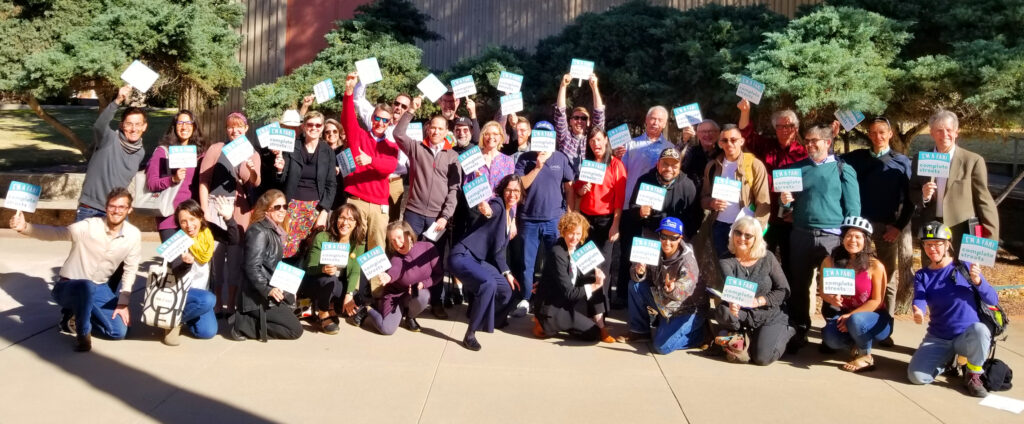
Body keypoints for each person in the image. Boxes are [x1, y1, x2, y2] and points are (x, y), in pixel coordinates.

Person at [10, 188, 141, 352]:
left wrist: (123, 302)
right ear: (106, 207)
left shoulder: (133, 235)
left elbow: (131, 269)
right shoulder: (89, 226)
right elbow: (58, 233)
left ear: (129, 209)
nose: (116, 211)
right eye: (112, 206)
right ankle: (83, 334)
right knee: (85, 286)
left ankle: (75, 316)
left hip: (99, 287)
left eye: (121, 207)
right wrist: (26, 227)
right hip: (69, 285)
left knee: (118, 332)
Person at [777, 124, 860, 352]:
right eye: (807, 141)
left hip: (833, 238)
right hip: (801, 235)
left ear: (827, 142)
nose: (810, 145)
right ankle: (799, 330)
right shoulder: (795, 169)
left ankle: (832, 332)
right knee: (798, 285)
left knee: (833, 287)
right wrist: (785, 201)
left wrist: (851, 239)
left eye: (815, 141)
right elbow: (784, 208)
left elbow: (853, 209)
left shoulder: (843, 170)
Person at [907, 221, 998, 398]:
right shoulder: (922, 275)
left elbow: (992, 299)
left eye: (937, 244)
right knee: (917, 377)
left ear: (948, 244)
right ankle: (947, 360)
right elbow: (920, 297)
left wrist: (978, 281)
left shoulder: (965, 266)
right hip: (939, 336)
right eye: (928, 244)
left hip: (967, 335)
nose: (932, 249)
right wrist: (918, 310)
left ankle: (973, 374)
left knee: (980, 330)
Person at [841, 116, 914, 316]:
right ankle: (848, 321)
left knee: (887, 277)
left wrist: (898, 227)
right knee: (854, 274)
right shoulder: (857, 158)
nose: (877, 136)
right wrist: (833, 130)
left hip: (886, 228)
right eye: (873, 132)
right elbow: (829, 159)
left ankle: (885, 323)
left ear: (890, 134)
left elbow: (910, 200)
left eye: (882, 132)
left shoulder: (902, 162)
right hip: (859, 228)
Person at [617, 147, 701, 307]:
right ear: (658, 164)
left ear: (679, 167)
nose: (669, 168)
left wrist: (680, 238)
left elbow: (695, 217)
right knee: (642, 274)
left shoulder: (688, 185)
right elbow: (632, 208)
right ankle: (642, 309)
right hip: (651, 235)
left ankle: (668, 306)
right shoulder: (645, 180)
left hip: (676, 240)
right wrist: (639, 212)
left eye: (674, 165)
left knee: (671, 278)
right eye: (665, 164)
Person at [198, 112, 262, 317]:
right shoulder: (217, 149)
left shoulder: (252, 152)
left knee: (235, 256)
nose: (235, 130)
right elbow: (203, 181)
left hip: (239, 208)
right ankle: (217, 302)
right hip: (215, 205)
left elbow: (254, 182)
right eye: (230, 127)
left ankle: (232, 303)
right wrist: (204, 211)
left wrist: (250, 169)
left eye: (239, 126)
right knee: (216, 257)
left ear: (246, 128)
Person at [448, 175, 522, 351]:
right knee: (488, 284)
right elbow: (489, 210)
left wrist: (507, 273)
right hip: (462, 255)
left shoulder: (510, 213)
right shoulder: (498, 204)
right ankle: (471, 334)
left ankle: (489, 318)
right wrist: (484, 207)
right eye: (509, 190)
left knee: (508, 289)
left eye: (517, 191)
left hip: (477, 260)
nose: (512, 194)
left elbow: (498, 254)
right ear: (503, 191)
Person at [737, 99, 807, 280]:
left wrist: (797, 211)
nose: (784, 129)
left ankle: (789, 303)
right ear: (775, 128)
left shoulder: (805, 152)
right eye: (780, 126)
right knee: (760, 259)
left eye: (789, 126)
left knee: (791, 263)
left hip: (792, 219)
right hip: (767, 216)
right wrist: (745, 111)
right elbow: (747, 134)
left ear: (796, 128)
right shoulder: (767, 146)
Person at [910, 110, 999, 253]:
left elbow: (984, 200)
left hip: (962, 230)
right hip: (931, 229)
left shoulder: (972, 161)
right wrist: (923, 196)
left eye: (948, 130)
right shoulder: (920, 159)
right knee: (934, 273)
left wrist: (990, 238)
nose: (944, 135)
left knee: (962, 273)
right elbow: (912, 190)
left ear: (956, 132)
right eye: (939, 130)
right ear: (931, 133)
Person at [612, 105, 673, 308]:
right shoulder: (631, 145)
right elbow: (621, 172)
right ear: (646, 121)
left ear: (665, 124)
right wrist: (617, 157)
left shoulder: (669, 148)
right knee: (628, 251)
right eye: (652, 118)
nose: (655, 122)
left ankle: (647, 299)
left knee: (651, 253)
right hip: (632, 206)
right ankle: (622, 295)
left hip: (657, 210)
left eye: (660, 120)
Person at [617, 217, 705, 354]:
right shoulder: (652, 249)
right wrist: (639, 272)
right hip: (664, 301)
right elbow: (634, 273)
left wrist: (674, 288)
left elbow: (687, 290)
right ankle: (640, 331)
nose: (667, 242)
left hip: (686, 309)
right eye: (664, 236)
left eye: (673, 238)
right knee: (635, 285)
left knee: (661, 347)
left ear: (680, 238)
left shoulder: (687, 260)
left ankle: (701, 334)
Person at [714, 216, 793, 365]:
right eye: (738, 233)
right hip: (743, 313)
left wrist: (758, 301)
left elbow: (784, 290)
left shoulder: (768, 258)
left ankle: (788, 332)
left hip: (769, 313)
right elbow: (731, 288)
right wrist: (733, 302)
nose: (741, 238)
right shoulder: (726, 260)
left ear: (756, 238)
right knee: (723, 311)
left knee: (762, 359)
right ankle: (743, 337)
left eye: (748, 235)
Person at [162, 198, 241, 346]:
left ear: (200, 217)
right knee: (210, 299)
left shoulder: (207, 230)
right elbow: (175, 274)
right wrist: (185, 264)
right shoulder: (177, 238)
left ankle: (183, 316)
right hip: (182, 293)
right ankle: (173, 322)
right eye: (183, 221)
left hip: (202, 292)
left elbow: (233, 239)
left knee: (207, 332)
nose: (189, 225)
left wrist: (229, 218)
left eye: (192, 219)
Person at [819, 217, 892, 372]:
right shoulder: (830, 261)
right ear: (843, 238)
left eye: (858, 237)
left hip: (873, 318)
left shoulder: (875, 266)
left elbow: (877, 301)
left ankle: (866, 356)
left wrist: (850, 316)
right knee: (829, 337)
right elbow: (823, 291)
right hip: (844, 315)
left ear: (866, 241)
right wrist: (831, 298)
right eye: (848, 236)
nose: (852, 240)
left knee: (856, 320)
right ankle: (855, 344)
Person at [229, 189, 303, 341]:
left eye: (284, 206)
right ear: (266, 209)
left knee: (294, 313)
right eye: (277, 207)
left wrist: (288, 286)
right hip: (256, 297)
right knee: (295, 330)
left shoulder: (276, 231)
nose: (282, 210)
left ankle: (250, 320)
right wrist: (267, 290)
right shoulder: (258, 231)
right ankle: (243, 324)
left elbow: (272, 265)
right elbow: (251, 267)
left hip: (270, 290)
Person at [513, 136, 575, 317]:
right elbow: (521, 185)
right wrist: (538, 166)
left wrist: (570, 214)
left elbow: (569, 188)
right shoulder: (525, 158)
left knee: (556, 261)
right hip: (529, 219)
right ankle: (525, 299)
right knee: (527, 263)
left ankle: (551, 297)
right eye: (540, 135)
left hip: (554, 220)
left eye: (548, 135)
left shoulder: (560, 157)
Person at [340, 72, 400, 252]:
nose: (380, 123)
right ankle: (348, 281)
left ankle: (376, 282)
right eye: (377, 118)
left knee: (376, 250)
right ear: (372, 118)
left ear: (389, 123)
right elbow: (347, 118)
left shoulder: (391, 146)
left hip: (378, 204)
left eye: (385, 120)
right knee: (350, 247)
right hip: (356, 200)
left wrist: (370, 160)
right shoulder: (359, 135)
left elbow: (389, 167)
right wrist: (349, 92)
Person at [570, 129, 626, 318]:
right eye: (592, 141)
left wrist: (615, 225)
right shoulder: (588, 164)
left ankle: (602, 311)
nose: (596, 144)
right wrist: (581, 189)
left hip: (606, 220)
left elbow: (619, 199)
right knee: (586, 263)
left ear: (606, 140)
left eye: (599, 140)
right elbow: (578, 188)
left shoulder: (617, 165)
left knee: (603, 266)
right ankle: (588, 308)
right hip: (586, 220)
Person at [532, 212, 613, 342]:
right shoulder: (557, 253)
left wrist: (596, 270)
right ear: (563, 232)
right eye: (571, 233)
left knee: (593, 277)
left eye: (578, 234)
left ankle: (600, 324)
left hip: (566, 300)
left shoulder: (577, 247)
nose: (574, 238)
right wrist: (595, 286)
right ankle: (542, 323)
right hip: (554, 308)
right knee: (593, 334)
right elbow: (569, 292)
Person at [356, 221, 442, 335]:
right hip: (394, 296)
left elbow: (438, 274)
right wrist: (388, 276)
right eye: (393, 240)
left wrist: (423, 284)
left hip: (412, 294)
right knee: (386, 329)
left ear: (409, 235)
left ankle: (410, 317)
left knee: (423, 295)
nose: (397, 243)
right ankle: (368, 308)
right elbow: (396, 269)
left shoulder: (428, 248)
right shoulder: (396, 259)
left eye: (399, 237)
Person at [77, 85, 147, 222]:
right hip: (91, 209)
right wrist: (117, 101)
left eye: (138, 124)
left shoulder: (140, 152)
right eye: (129, 124)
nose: (134, 129)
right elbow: (99, 125)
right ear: (122, 126)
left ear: (144, 127)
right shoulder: (109, 139)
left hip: (118, 210)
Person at [273, 111, 337, 259]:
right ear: (303, 126)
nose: (314, 128)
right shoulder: (292, 146)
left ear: (322, 128)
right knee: (286, 250)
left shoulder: (327, 151)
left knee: (310, 251)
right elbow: (281, 181)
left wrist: (324, 212)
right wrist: (280, 169)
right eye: (310, 124)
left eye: (318, 125)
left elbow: (331, 184)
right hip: (292, 206)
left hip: (315, 209)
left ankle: (305, 283)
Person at [700, 124, 770, 258]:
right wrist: (711, 203)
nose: (729, 144)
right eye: (725, 140)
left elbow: (763, 202)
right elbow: (704, 197)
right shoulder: (712, 166)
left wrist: (756, 231)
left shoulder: (754, 165)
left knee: (743, 270)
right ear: (720, 143)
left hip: (744, 229)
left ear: (741, 141)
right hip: (719, 227)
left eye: (733, 140)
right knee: (722, 270)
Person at [301, 204, 366, 335]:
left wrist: (349, 294)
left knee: (353, 293)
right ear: (335, 219)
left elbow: (354, 272)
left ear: (356, 223)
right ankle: (322, 312)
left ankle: (331, 305)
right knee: (329, 279)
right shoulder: (323, 237)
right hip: (316, 281)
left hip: (338, 283)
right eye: (341, 218)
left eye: (350, 219)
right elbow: (309, 268)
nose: (345, 223)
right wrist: (323, 268)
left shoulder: (358, 243)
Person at [146, 109, 207, 241]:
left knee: (192, 260)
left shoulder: (201, 154)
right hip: (170, 217)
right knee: (176, 261)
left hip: (193, 218)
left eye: (188, 123)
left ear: (194, 126)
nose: (184, 126)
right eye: (180, 123)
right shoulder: (163, 152)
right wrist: (173, 179)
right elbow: (151, 183)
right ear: (174, 127)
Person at [554, 73, 605, 172]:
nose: (579, 121)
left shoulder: (592, 139)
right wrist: (563, 86)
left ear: (589, 122)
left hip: (588, 184)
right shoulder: (564, 138)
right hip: (567, 185)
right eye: (576, 117)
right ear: (570, 121)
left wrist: (594, 87)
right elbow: (560, 113)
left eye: (584, 118)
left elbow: (599, 113)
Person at [680, 119, 721, 190]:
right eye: (703, 131)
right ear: (698, 134)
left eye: (711, 131)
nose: (707, 134)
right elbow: (676, 159)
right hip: (694, 196)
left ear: (718, 133)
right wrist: (684, 140)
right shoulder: (690, 152)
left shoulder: (724, 153)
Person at [323, 118, 349, 209]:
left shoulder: (344, 150)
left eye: (335, 131)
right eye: (327, 132)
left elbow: (350, 172)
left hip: (342, 196)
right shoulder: (321, 151)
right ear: (323, 134)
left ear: (339, 133)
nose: (331, 134)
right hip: (325, 196)